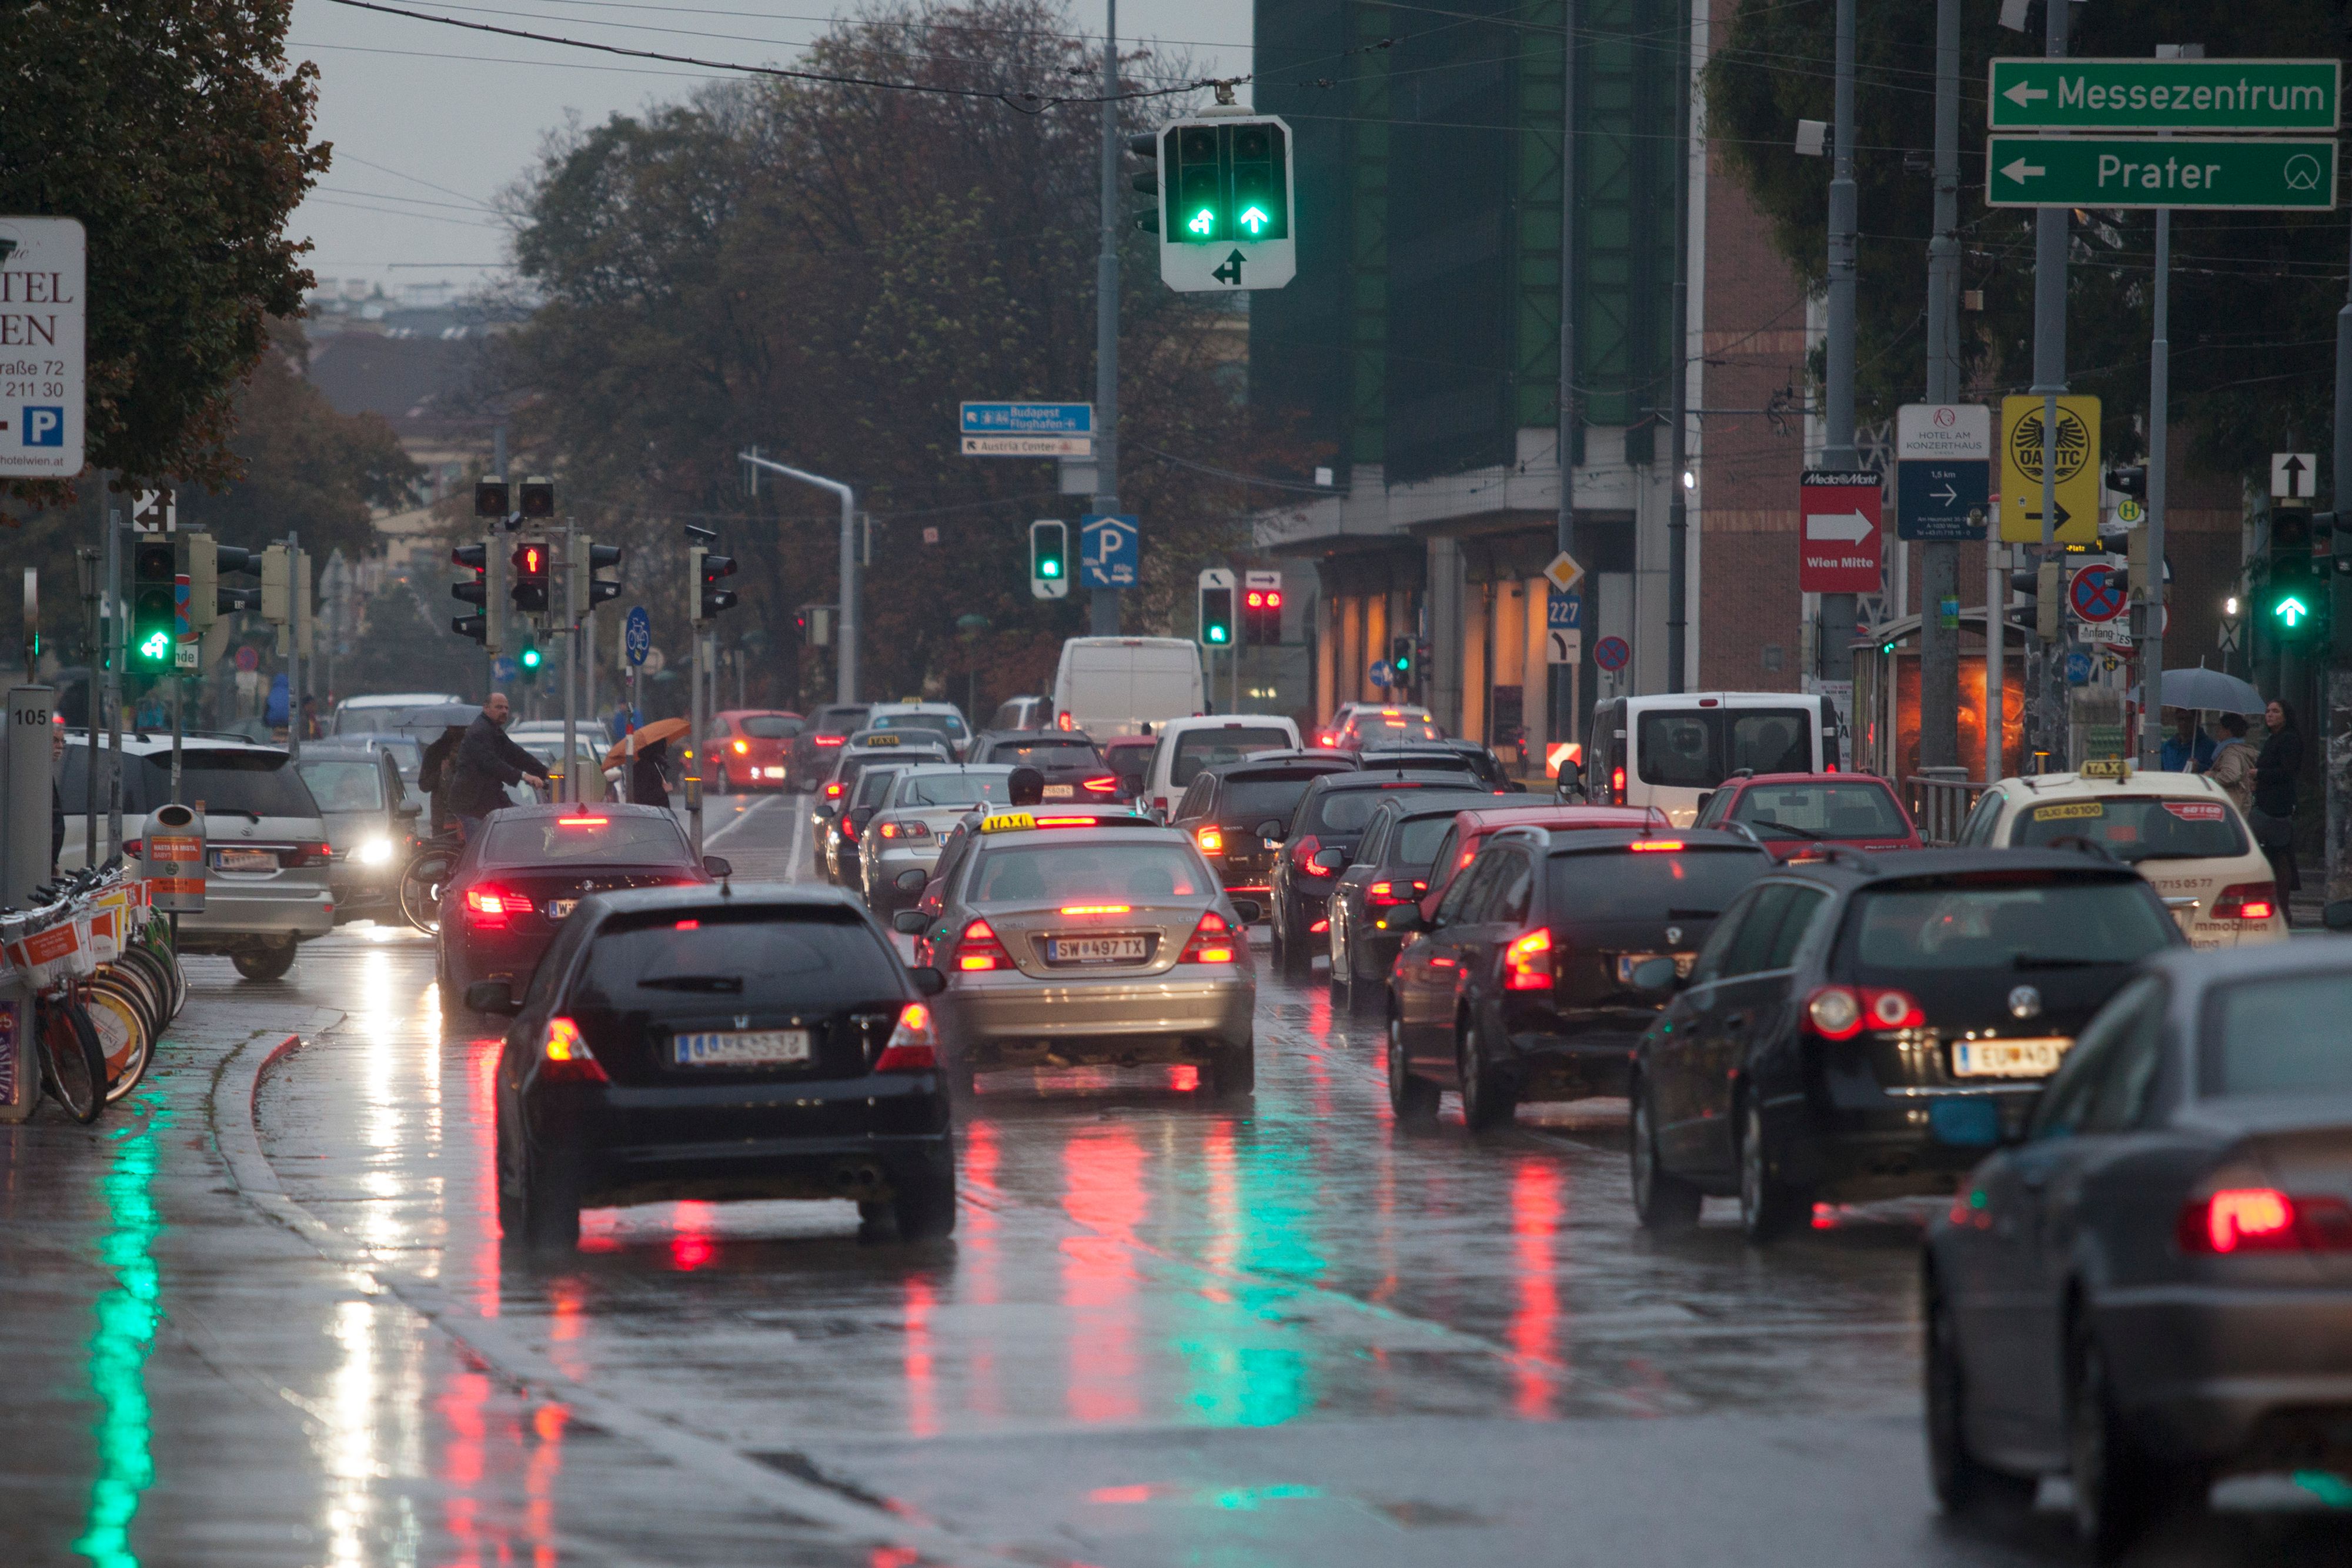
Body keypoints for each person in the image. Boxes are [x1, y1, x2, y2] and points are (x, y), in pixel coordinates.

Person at [446, 692, 550, 842]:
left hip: (489, 800)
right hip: (471, 804)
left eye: (506, 708)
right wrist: (524, 776)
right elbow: (492, 763)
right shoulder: (480, 731)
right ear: (486, 708)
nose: (504, 711)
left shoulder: (493, 730)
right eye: (499, 707)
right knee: (480, 847)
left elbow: (517, 755)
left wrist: (545, 771)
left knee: (523, 823)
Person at [2250, 697, 2303, 920]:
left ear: (2285, 716)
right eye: (2268, 711)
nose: (2270, 715)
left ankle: (2283, 907)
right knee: (2267, 853)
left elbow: (2286, 771)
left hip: (2278, 806)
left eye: (2275, 711)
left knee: (2281, 854)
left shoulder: (2289, 740)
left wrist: (2260, 774)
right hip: (2265, 803)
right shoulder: (2272, 739)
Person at [2206, 712, 2256, 814]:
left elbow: (2231, 775)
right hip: (2242, 805)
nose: (2217, 732)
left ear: (2228, 731)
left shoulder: (2231, 752)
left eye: (2220, 728)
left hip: (2233, 805)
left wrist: (2211, 776)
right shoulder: (2242, 749)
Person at [2160, 708, 2215, 773]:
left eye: (2188, 719)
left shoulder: (2210, 748)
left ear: (2197, 720)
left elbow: (2215, 773)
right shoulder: (2167, 747)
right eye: (2180, 719)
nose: (2184, 723)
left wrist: (2199, 768)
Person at [630, 736, 674, 811]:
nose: (667, 748)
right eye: (664, 745)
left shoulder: (656, 763)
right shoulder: (644, 767)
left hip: (659, 812)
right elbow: (642, 797)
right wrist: (663, 790)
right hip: (651, 813)